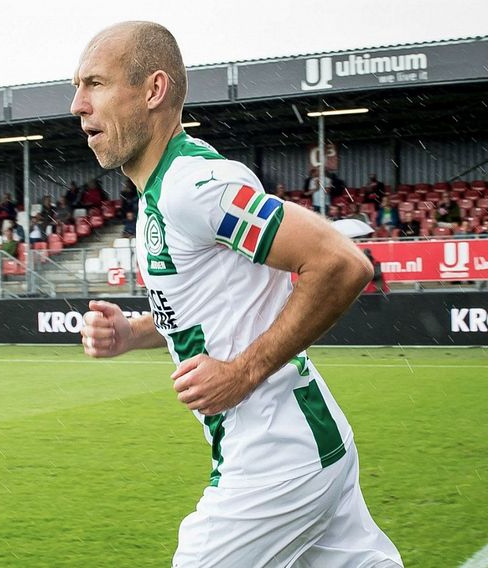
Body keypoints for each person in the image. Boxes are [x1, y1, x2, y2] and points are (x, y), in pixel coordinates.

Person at [72, 21, 402, 568]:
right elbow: (214, 307)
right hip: (307, 444)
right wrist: (132, 333)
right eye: (78, 87)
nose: (78, 104)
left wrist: (244, 372)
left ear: (154, 90)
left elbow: (341, 264)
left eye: (96, 84)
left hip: (275, 464)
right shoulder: (164, 188)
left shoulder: (192, 188)